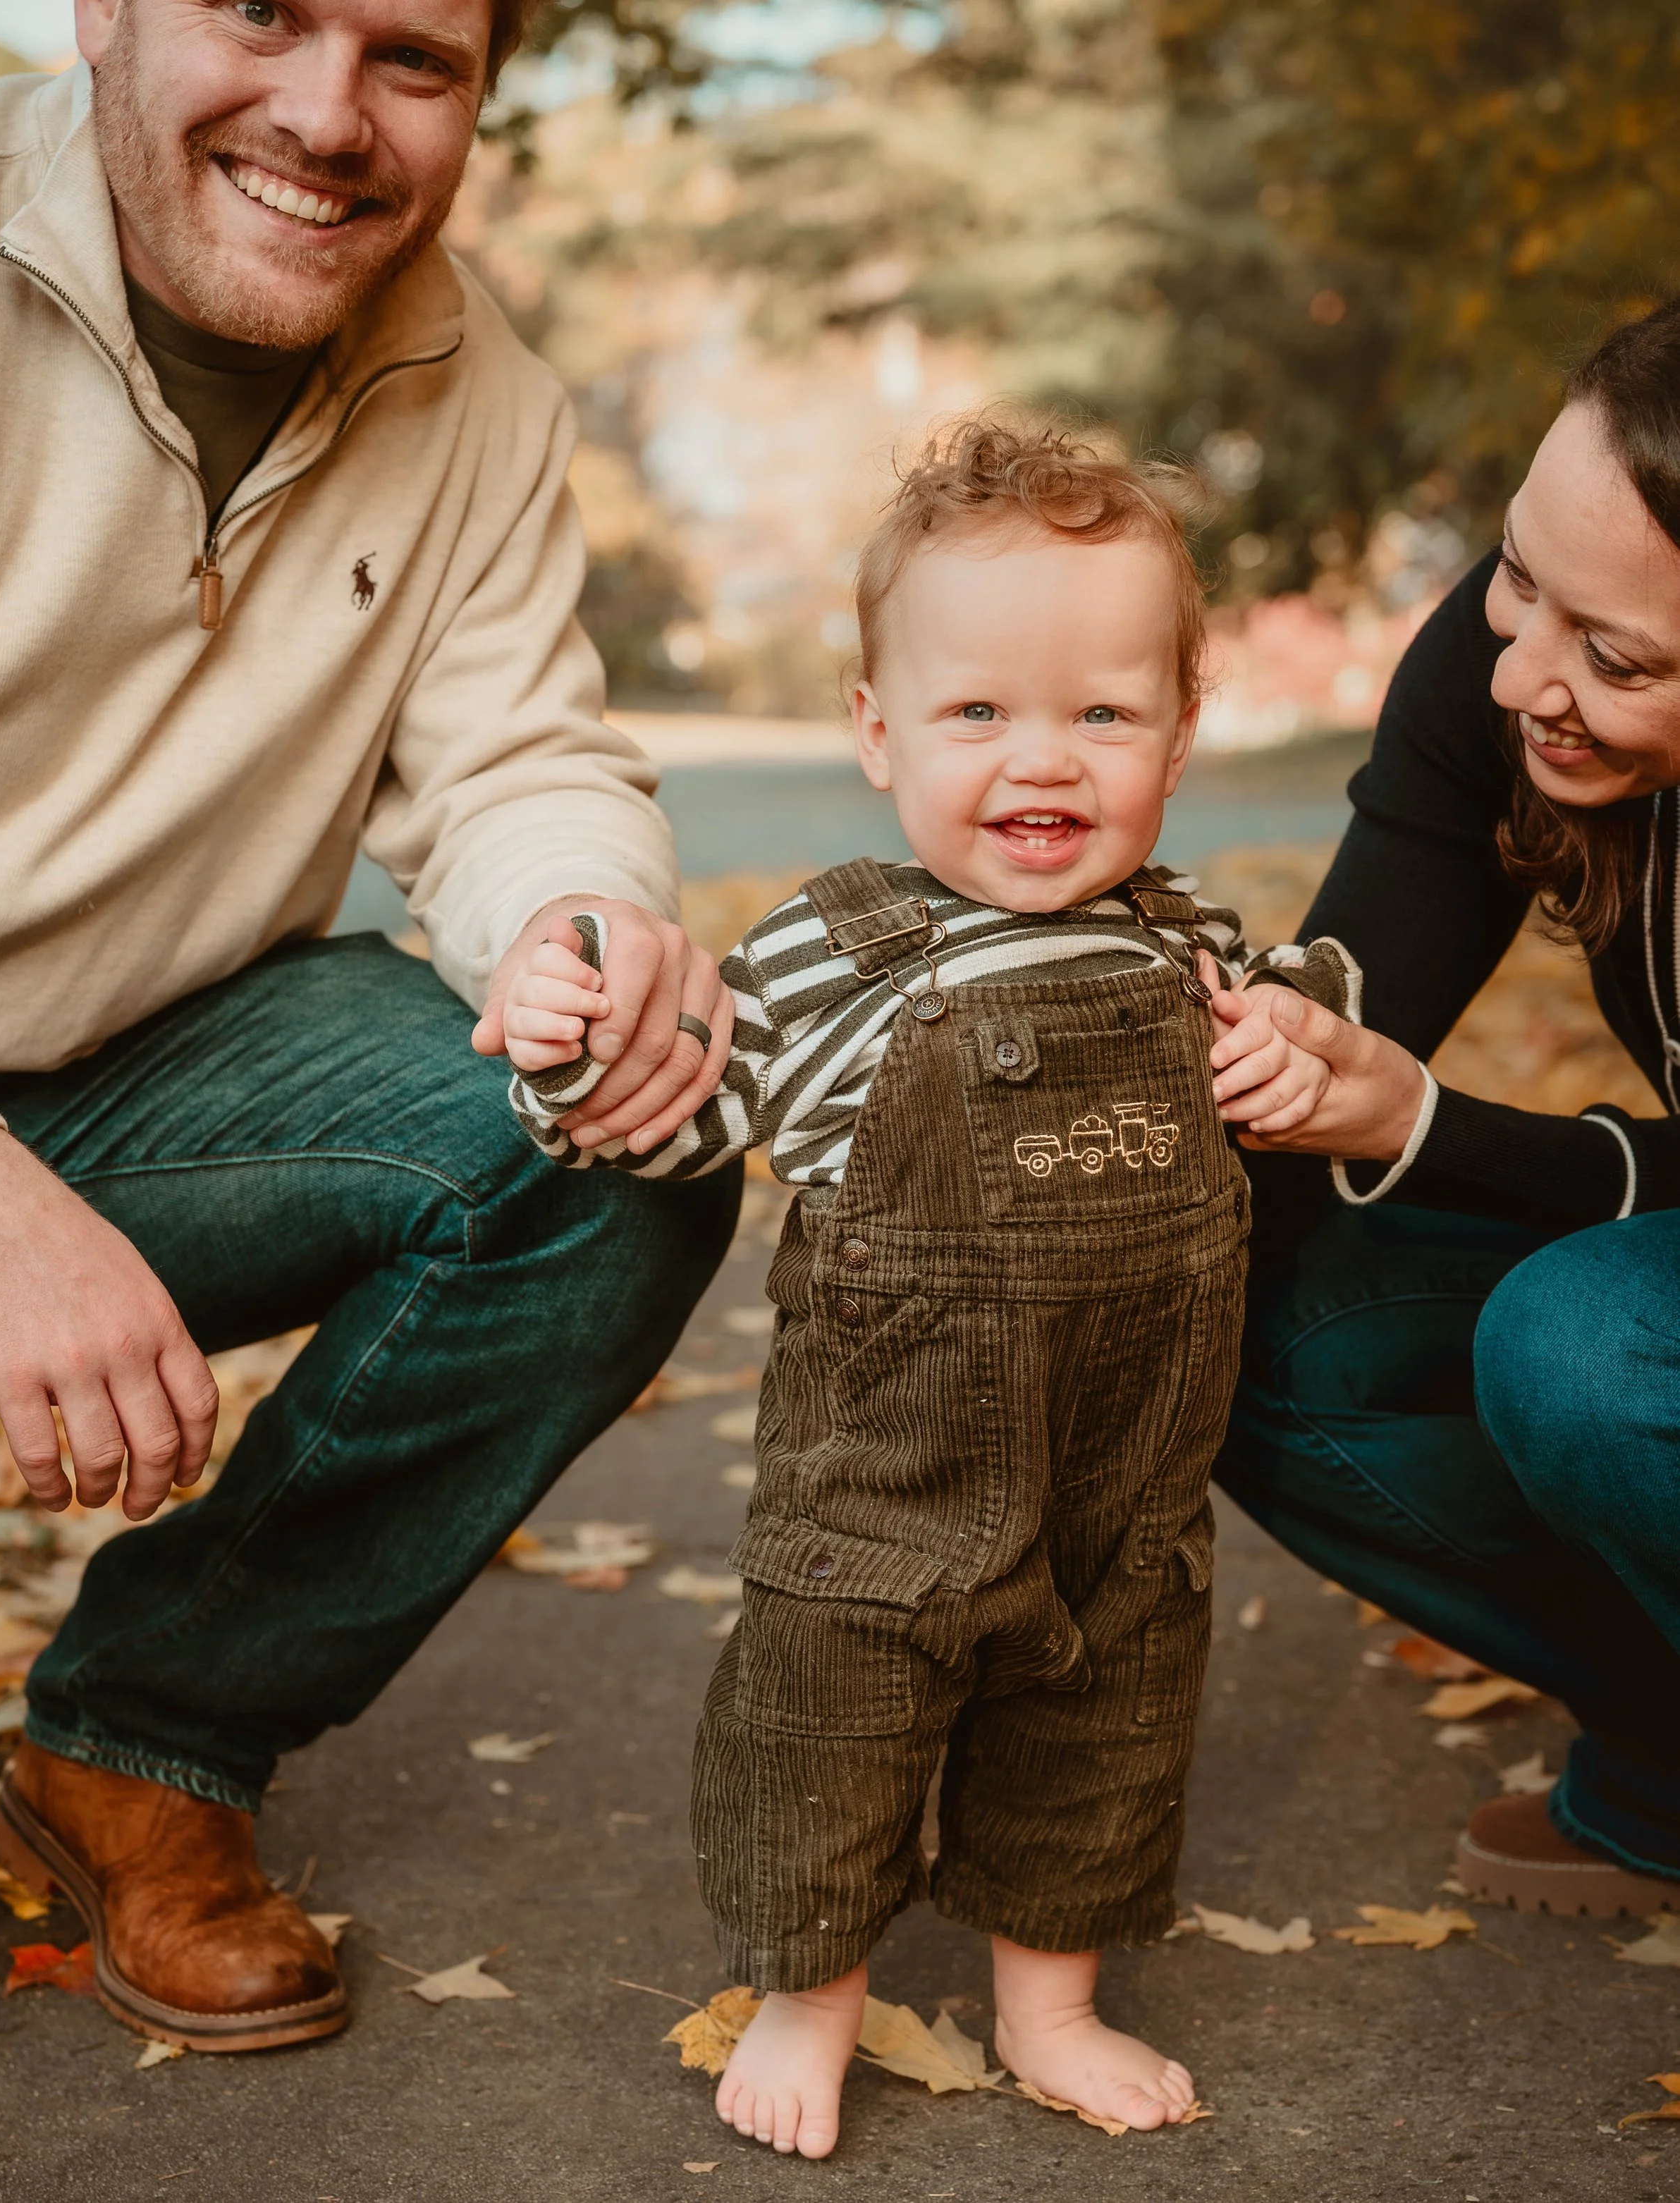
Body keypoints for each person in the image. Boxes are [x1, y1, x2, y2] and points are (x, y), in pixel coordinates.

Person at [0, 0, 740, 2052]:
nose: (326, 116)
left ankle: (144, 1740)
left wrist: (581, 932)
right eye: (265, 13)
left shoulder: (478, 390)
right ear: (104, 10)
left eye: (412, 55)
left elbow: (518, 759)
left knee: (611, 1143)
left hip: (150, 1078)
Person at [506, 416, 1359, 2158]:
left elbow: (1316, 1025)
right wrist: (569, 1057)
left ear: (1180, 738)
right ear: (877, 731)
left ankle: (1050, 1998)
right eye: (976, 712)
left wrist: (1295, 1046)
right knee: (832, 1716)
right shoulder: (835, 948)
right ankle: (807, 1993)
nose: (1039, 760)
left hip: (1122, 1471)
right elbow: (683, 1118)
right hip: (882, 1485)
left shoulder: (1191, 944)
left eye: (1101, 713)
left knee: (1103, 1710)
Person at [1206, 299, 1680, 1920]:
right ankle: (1666, 1755)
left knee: (1591, 1342)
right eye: (1513, 577)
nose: (1520, 674)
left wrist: (1425, 1130)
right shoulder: (1502, 673)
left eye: (1613, 658)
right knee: (1233, 1311)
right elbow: (1347, 980)